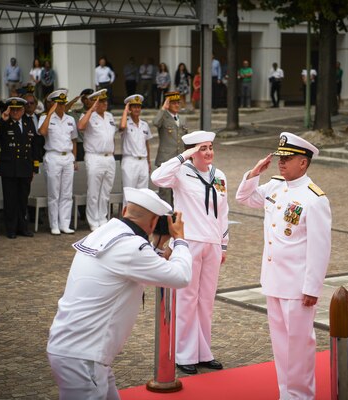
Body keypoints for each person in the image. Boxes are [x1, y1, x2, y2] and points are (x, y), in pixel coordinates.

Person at [47, 187, 192, 399]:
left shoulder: (106, 233)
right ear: (153, 223)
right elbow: (180, 277)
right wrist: (180, 240)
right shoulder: (132, 248)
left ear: (125, 210)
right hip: (84, 357)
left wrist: (159, 245)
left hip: (77, 350)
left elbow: (137, 263)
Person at [235, 132, 331, 399]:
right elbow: (244, 198)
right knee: (281, 345)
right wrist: (254, 173)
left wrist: (312, 287)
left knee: (299, 345)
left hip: (297, 286)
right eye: (280, 158)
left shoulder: (315, 199)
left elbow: (320, 248)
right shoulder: (275, 186)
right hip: (274, 280)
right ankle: (286, 394)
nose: (281, 163)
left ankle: (302, 395)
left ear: (303, 162)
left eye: (288, 158)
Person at [151, 130, 229, 375]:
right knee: (186, 300)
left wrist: (223, 243)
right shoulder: (180, 173)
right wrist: (183, 156)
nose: (208, 152)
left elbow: (224, 212)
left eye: (210, 147)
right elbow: (157, 177)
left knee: (205, 301)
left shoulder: (220, 176)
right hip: (188, 242)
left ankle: (203, 352)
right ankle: (183, 354)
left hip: (212, 244)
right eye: (202, 148)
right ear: (192, 151)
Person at [0, 97, 41, 239]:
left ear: (23, 110)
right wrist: (2, 119)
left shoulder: (28, 122)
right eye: (13, 109)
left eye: (18, 109)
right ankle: (11, 229)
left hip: (25, 167)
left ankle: (23, 227)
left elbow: (34, 146)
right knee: (10, 200)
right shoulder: (5, 123)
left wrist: (34, 167)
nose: (15, 112)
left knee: (22, 200)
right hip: (9, 167)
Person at [38, 89, 78, 235]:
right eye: (58, 104)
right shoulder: (45, 118)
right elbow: (42, 132)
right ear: (52, 104)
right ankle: (54, 224)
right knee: (54, 193)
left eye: (63, 104)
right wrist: (50, 113)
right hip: (53, 156)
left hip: (67, 157)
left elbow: (73, 140)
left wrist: (74, 159)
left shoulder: (70, 119)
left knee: (67, 193)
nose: (61, 106)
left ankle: (65, 224)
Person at [77, 89, 117, 231]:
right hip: (94, 157)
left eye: (105, 101)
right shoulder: (87, 116)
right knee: (94, 191)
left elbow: (111, 137)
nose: (104, 104)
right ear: (94, 103)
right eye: (101, 102)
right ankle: (93, 221)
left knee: (106, 191)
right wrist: (91, 110)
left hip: (109, 157)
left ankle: (103, 218)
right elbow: (80, 127)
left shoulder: (110, 116)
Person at [153, 91, 187, 205]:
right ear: (168, 104)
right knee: (165, 192)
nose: (177, 105)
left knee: (179, 190)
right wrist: (163, 108)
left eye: (178, 102)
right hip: (166, 159)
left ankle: (177, 217)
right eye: (173, 103)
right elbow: (155, 122)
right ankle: (165, 219)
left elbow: (185, 139)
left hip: (180, 160)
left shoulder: (182, 119)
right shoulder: (163, 117)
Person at [120, 94, 152, 206]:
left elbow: (146, 144)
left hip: (142, 161)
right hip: (130, 161)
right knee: (129, 194)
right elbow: (122, 126)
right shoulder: (126, 123)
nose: (137, 109)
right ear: (129, 108)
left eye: (138, 107)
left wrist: (148, 161)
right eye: (134, 107)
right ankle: (127, 221)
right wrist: (125, 111)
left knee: (143, 194)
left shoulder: (144, 125)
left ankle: (139, 221)